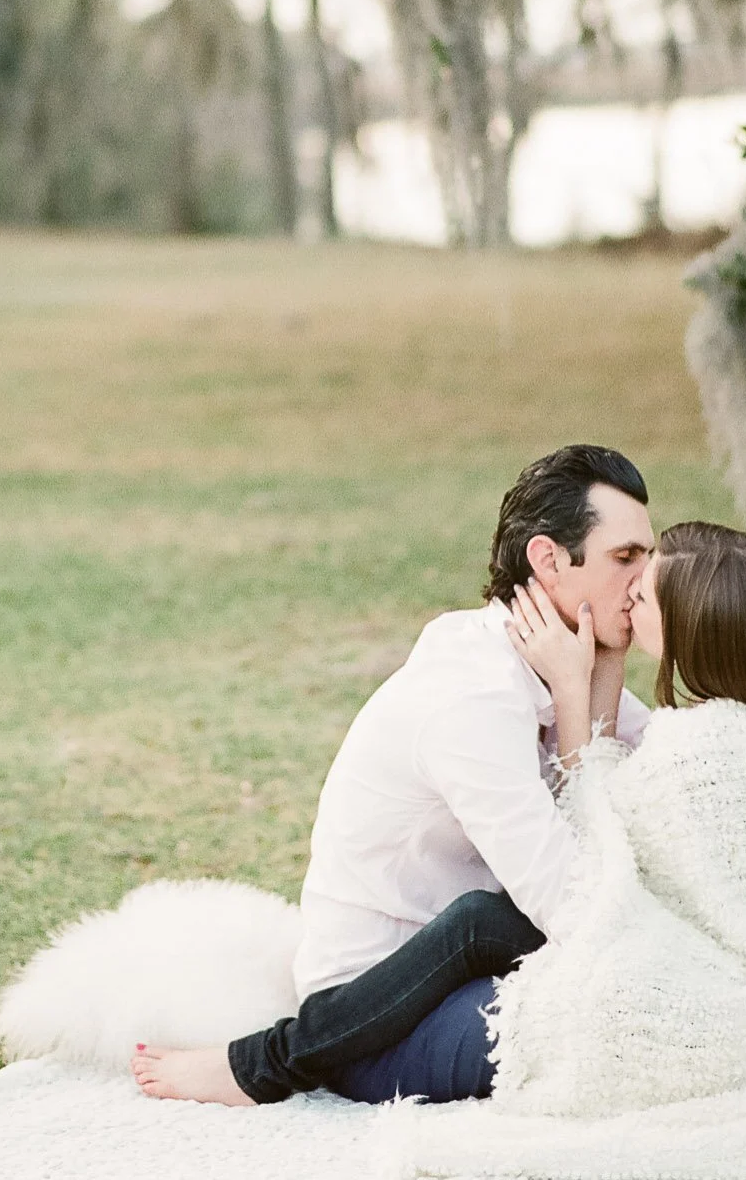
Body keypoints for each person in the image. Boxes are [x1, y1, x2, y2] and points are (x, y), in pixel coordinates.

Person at [131, 444, 657, 1105]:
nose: (644, 581)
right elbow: (575, 903)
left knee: (642, 985)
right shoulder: (473, 694)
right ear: (548, 559)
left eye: (648, 556)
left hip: (498, 954)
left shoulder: (558, 662)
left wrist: (606, 676)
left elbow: (663, 771)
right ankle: (267, 1064)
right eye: (625, 557)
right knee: (614, 1028)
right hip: (379, 1022)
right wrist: (587, 692)